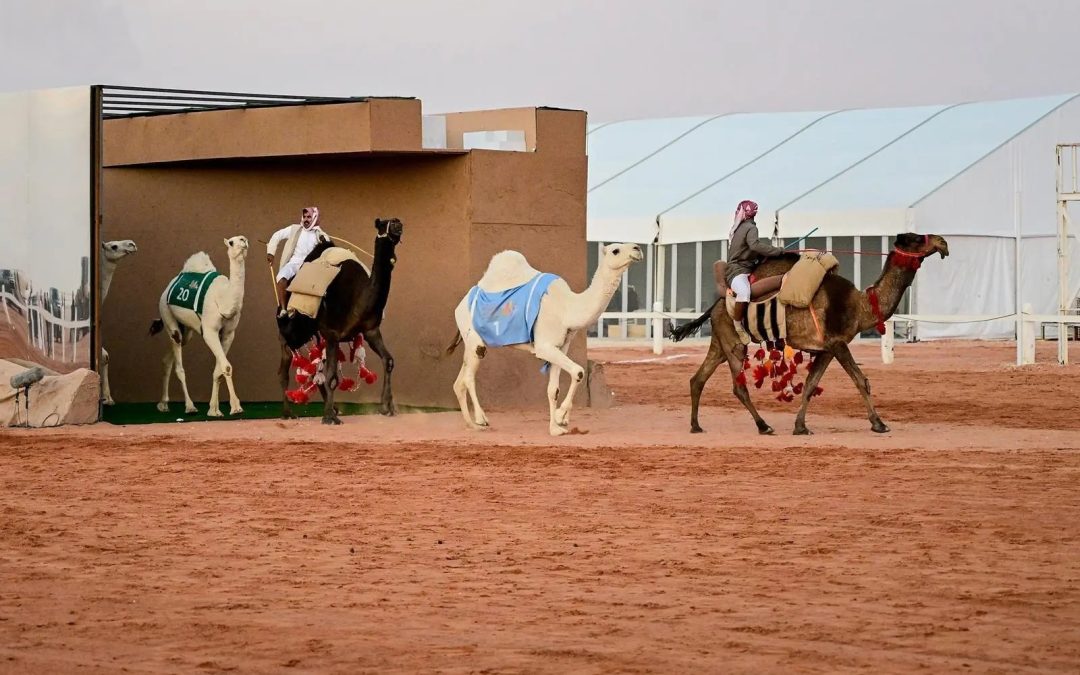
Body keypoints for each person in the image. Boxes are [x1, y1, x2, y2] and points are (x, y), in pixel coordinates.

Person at [725, 199, 784, 323]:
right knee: (744, 293)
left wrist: (764, 255)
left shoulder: (741, 228)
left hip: (746, 267)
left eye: (738, 211)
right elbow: (754, 246)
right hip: (738, 271)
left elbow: (750, 249)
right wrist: (777, 251)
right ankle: (737, 325)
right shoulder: (750, 228)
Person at [266, 206, 330, 316]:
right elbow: (277, 235)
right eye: (304, 216)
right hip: (294, 263)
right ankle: (283, 309)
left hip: (310, 265)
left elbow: (328, 248)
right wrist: (271, 252)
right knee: (281, 278)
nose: (306, 219)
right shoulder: (295, 229)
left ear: (315, 217)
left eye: (309, 217)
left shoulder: (320, 234)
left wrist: (325, 241)